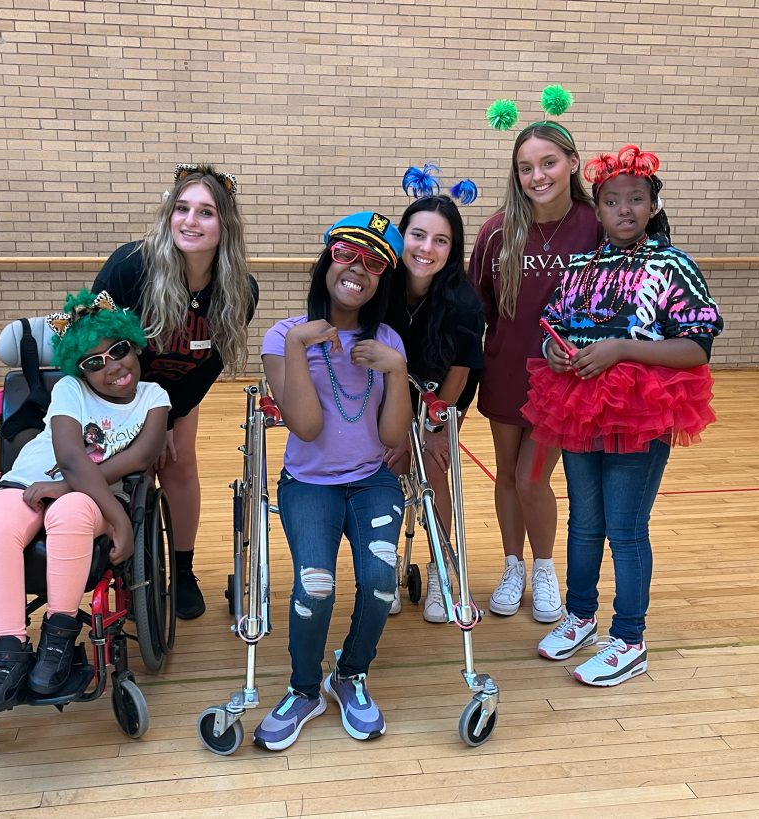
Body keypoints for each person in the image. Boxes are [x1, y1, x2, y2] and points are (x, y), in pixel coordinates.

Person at [526, 145, 723, 686]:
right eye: (612, 201)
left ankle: (630, 639)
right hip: (579, 406)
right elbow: (553, 324)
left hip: (641, 411)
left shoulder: (673, 265)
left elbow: (697, 347)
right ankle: (580, 615)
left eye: (636, 199)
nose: (624, 209)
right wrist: (553, 351)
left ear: (652, 205)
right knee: (584, 521)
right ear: (599, 209)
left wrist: (622, 350)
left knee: (626, 527)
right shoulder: (581, 266)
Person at [254, 211, 411, 750]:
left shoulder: (387, 340)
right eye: (347, 254)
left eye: (373, 263)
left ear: (381, 280)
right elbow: (305, 425)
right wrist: (300, 347)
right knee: (315, 584)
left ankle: (350, 674)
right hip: (309, 483)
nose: (357, 269)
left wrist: (395, 369)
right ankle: (304, 689)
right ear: (328, 261)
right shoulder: (283, 336)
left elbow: (393, 436)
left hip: (372, 481)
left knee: (381, 579)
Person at [0, 290, 171, 713]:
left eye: (118, 350)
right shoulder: (69, 389)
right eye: (93, 363)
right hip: (29, 480)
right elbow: (69, 455)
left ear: (134, 344)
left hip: (90, 496)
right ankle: (8, 652)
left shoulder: (154, 397)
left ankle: (58, 638)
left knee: (71, 510)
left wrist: (76, 492)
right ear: (79, 370)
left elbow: (141, 456)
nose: (111, 366)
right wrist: (114, 516)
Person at [93, 163, 259, 620]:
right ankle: (126, 569)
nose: (191, 221)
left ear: (225, 224)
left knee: (180, 463)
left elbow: (211, 366)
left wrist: (168, 415)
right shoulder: (130, 266)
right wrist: (143, 418)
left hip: (178, 389)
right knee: (131, 471)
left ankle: (182, 571)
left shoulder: (240, 289)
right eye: (182, 208)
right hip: (113, 389)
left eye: (206, 212)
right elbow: (97, 345)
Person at [469, 122, 604, 623]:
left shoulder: (596, 225)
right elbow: (475, 309)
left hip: (563, 382)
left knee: (531, 479)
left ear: (572, 162)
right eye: (526, 168)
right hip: (504, 373)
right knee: (506, 475)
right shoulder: (497, 232)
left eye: (548, 162)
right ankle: (513, 567)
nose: (537, 176)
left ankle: (544, 568)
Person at [383, 170, 485, 623]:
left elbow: (461, 372)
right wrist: (395, 433)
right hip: (387, 393)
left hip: (443, 394)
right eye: (418, 235)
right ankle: (384, 568)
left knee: (433, 470)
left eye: (440, 240)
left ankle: (443, 568)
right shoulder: (382, 285)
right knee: (387, 468)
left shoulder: (463, 301)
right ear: (401, 236)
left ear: (452, 248)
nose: (427, 248)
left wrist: (436, 431)